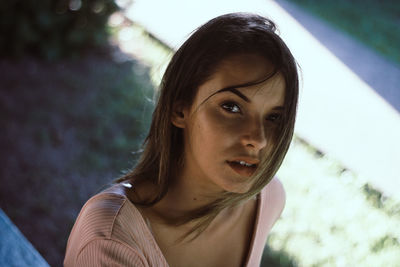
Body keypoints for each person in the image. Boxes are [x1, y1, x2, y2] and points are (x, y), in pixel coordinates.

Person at [64, 12, 298, 267]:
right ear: (180, 108)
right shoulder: (112, 240)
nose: (258, 139)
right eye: (231, 107)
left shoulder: (267, 199)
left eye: (274, 118)